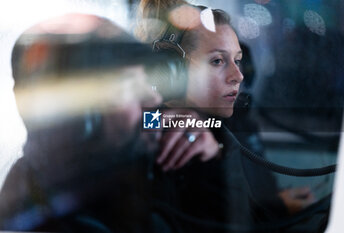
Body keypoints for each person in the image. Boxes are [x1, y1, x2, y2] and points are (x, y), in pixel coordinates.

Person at [137, 0, 315, 232]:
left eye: (237, 60)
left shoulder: (219, 127)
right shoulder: (156, 132)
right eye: (218, 61)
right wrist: (278, 209)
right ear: (172, 71)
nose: (238, 76)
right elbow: (144, 122)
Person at [0, 13, 169, 232]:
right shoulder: (42, 217)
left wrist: (211, 146)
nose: (154, 99)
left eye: (148, 82)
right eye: (128, 87)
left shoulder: (124, 180)